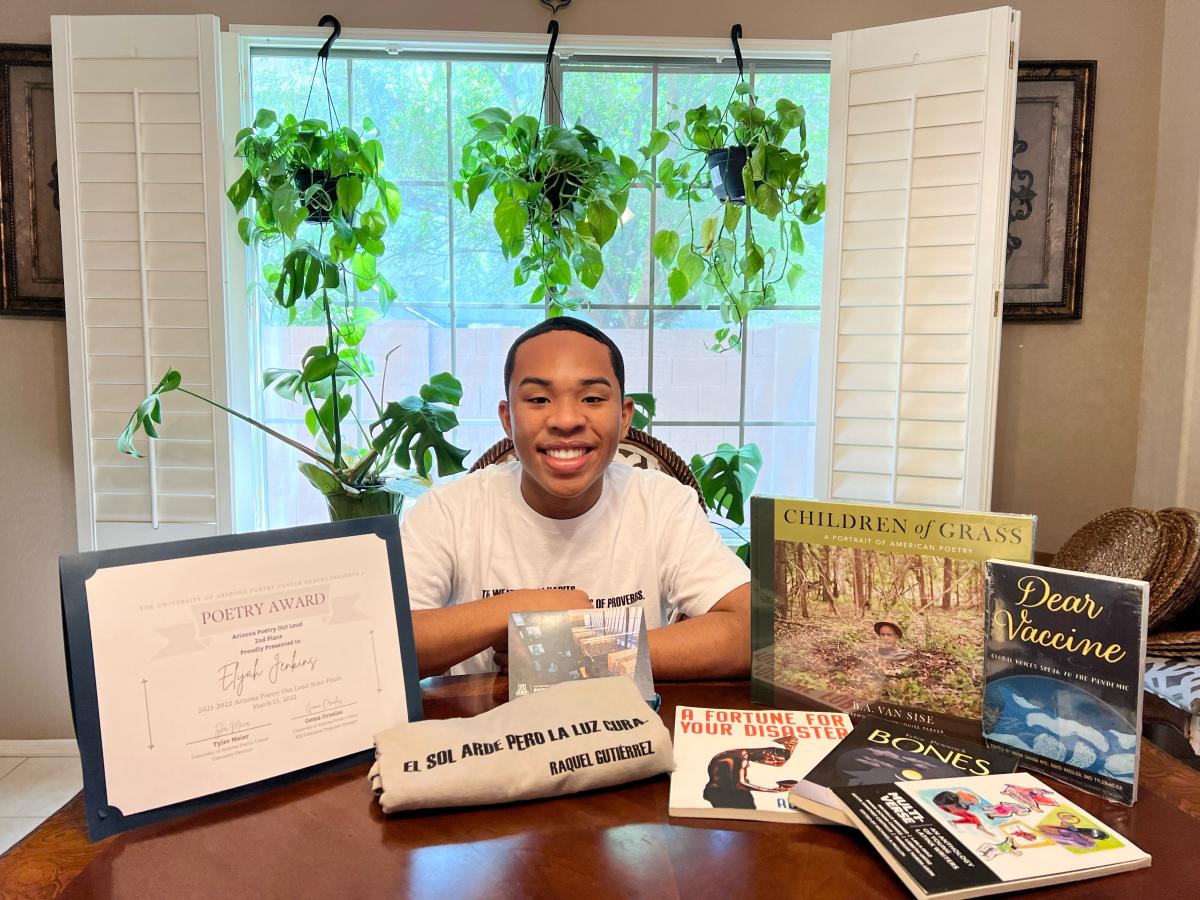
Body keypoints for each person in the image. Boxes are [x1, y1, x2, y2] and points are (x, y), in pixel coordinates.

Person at [401, 317, 751, 679]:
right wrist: (525, 607)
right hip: (488, 725)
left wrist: (583, 651)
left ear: (624, 416)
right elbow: (382, 649)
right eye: (538, 399)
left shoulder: (663, 504)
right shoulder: (447, 511)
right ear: (508, 419)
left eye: (593, 398)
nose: (566, 420)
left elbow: (749, 633)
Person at [702, 736, 799, 810]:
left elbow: (780, 763)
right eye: (772, 759)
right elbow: (740, 784)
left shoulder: (740, 755)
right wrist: (773, 791)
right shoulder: (740, 758)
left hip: (734, 793)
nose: (772, 762)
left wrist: (790, 748)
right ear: (766, 753)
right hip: (723, 793)